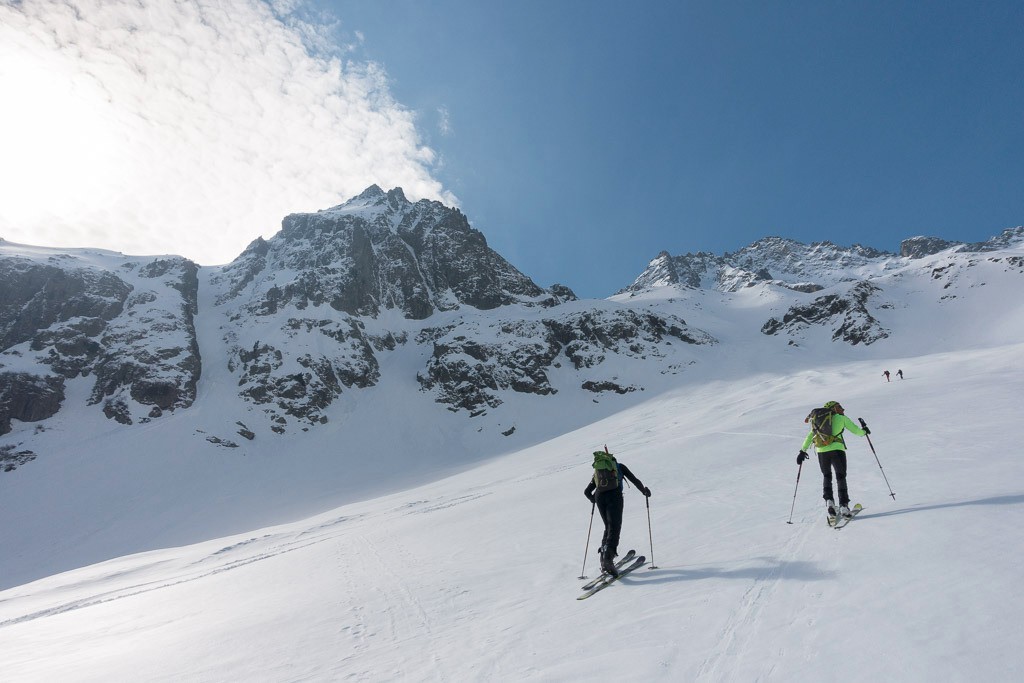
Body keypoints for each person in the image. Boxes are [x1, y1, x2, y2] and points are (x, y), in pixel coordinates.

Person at [796, 401, 869, 519]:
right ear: (833, 409)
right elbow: (856, 431)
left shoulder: (818, 420)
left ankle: (830, 502)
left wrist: (802, 451)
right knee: (841, 476)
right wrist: (865, 431)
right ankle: (844, 506)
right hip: (837, 450)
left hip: (821, 451)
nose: (843, 409)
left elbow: (810, 435)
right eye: (839, 407)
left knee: (826, 476)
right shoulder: (841, 418)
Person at [584, 448, 650, 576]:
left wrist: (594, 500)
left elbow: (587, 491)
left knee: (608, 527)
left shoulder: (598, 472)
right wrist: (644, 491)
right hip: (615, 497)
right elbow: (635, 480)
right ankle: (609, 559)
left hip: (599, 496)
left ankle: (603, 560)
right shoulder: (619, 467)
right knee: (615, 527)